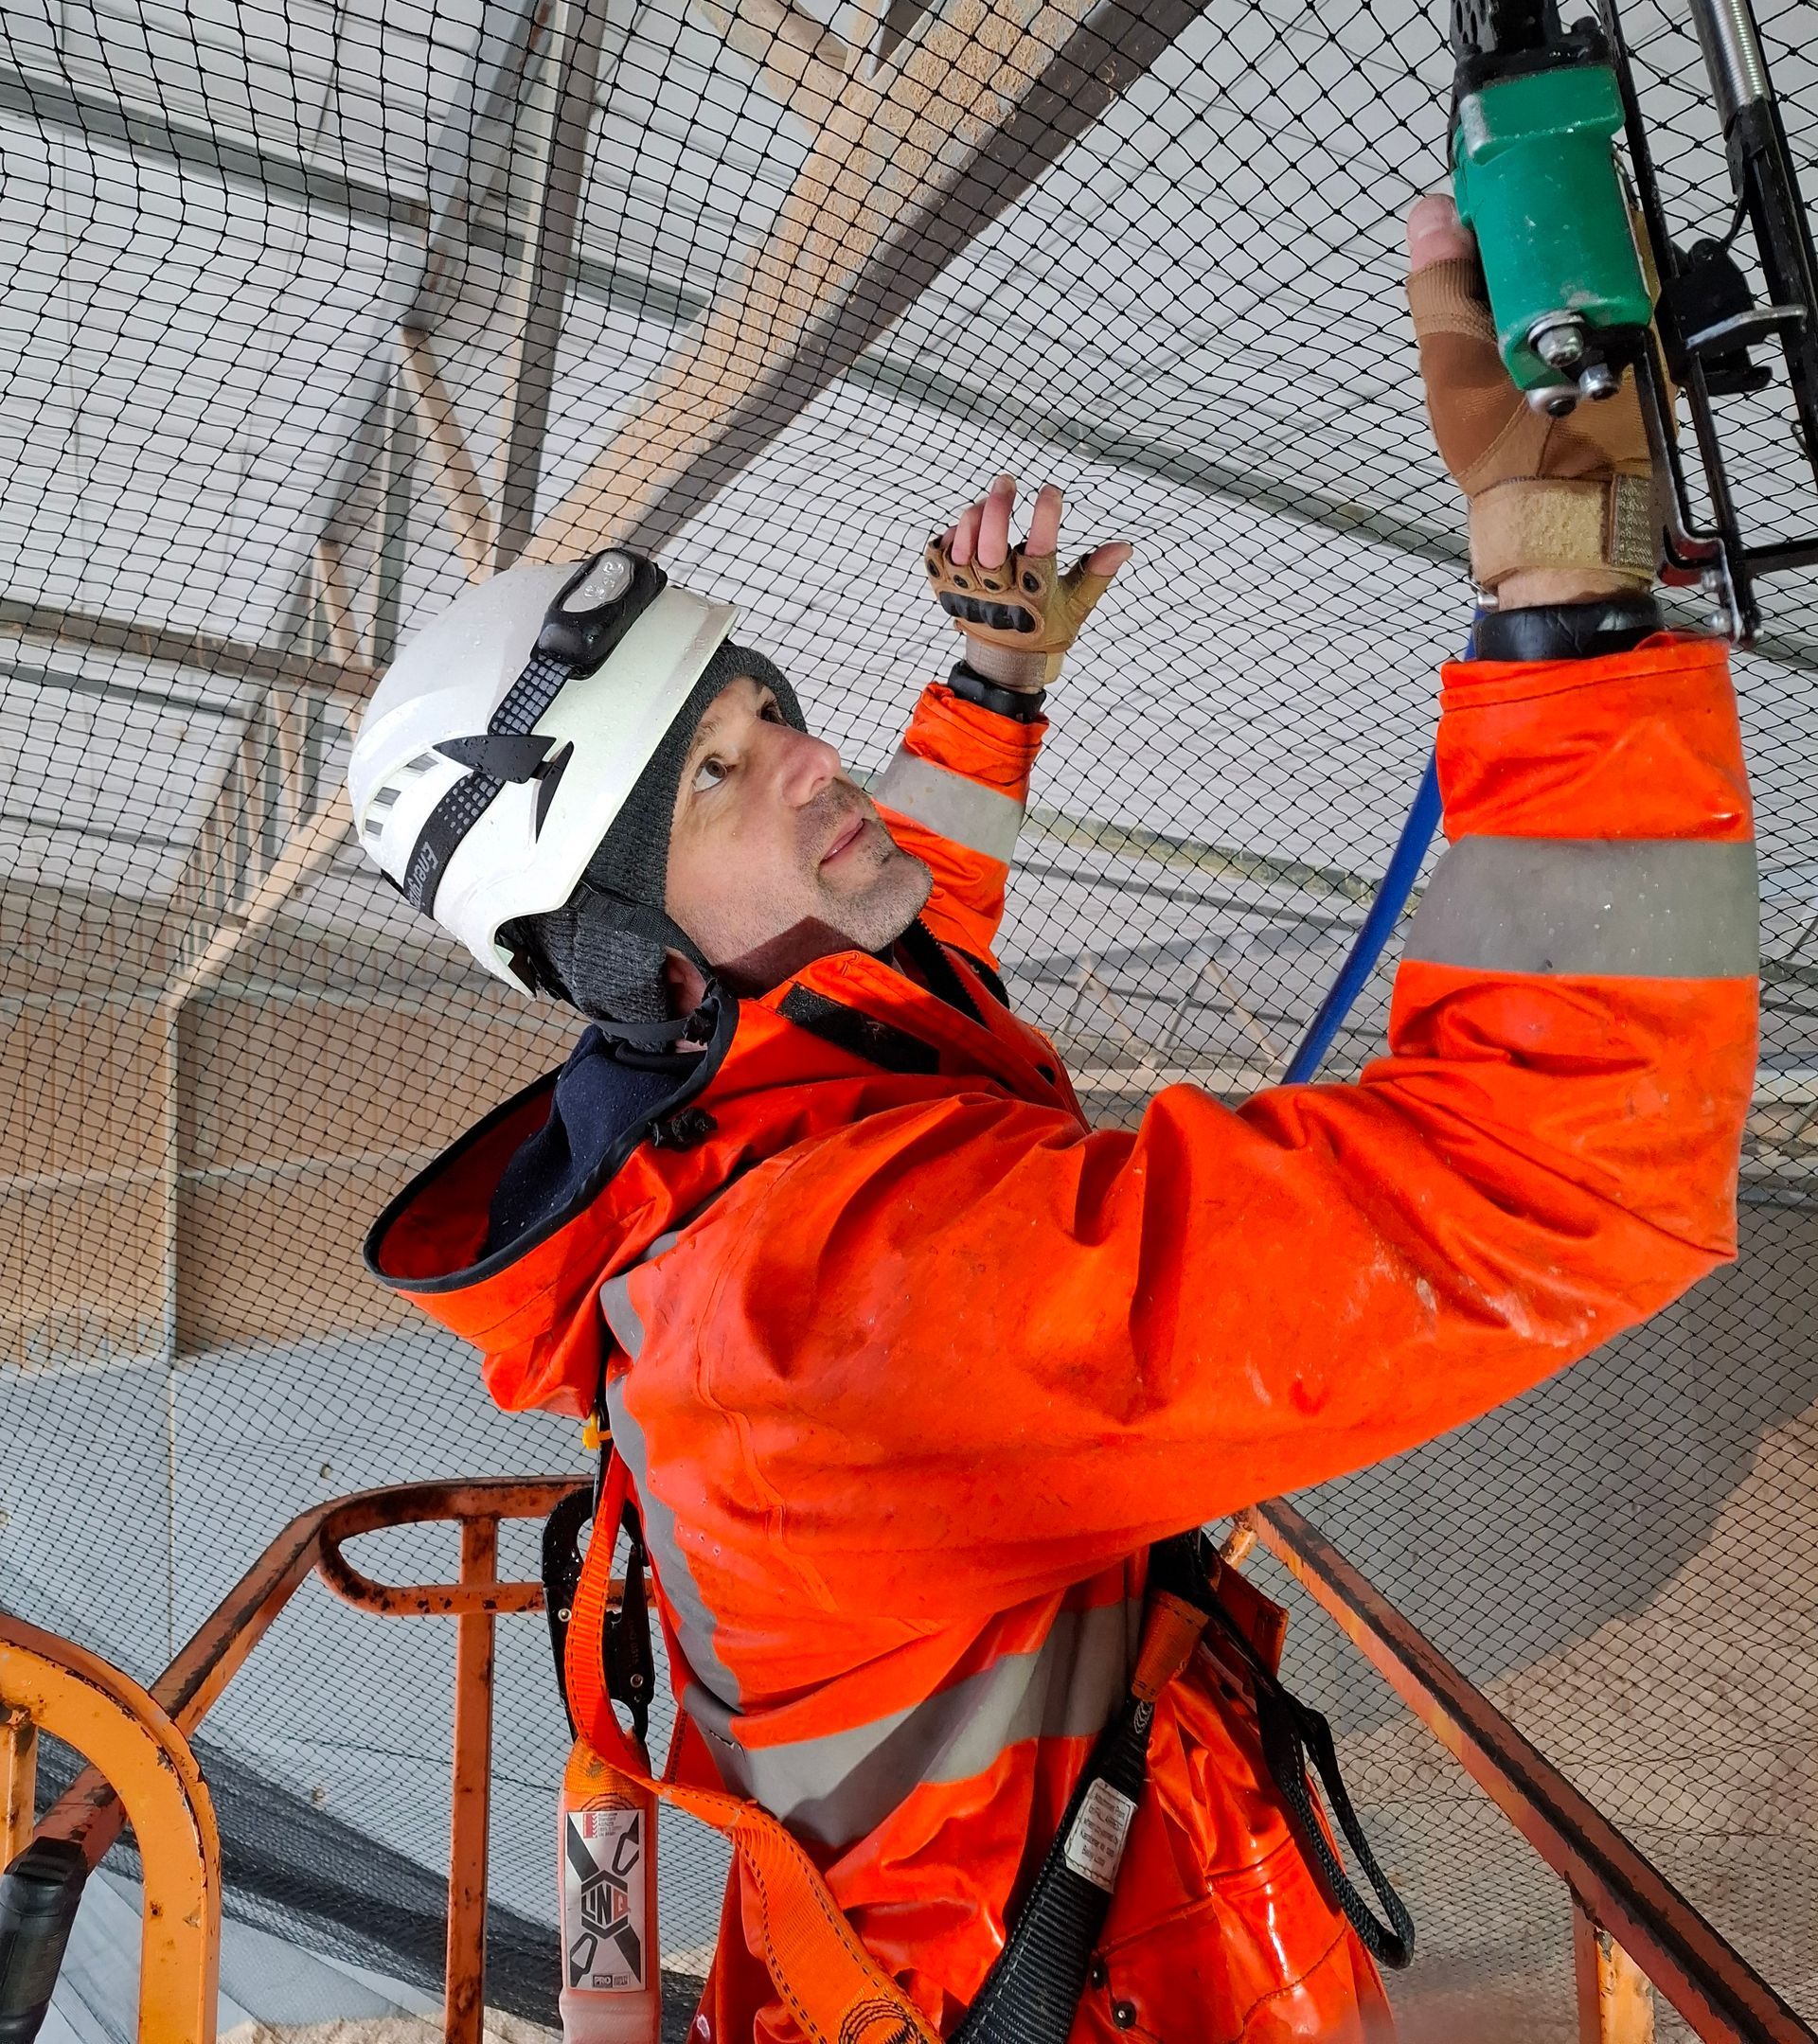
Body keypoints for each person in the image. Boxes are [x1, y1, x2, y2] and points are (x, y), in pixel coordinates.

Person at [351, 196, 1757, 2041]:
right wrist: (1567, 597)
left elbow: (888, 959)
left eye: (766, 705)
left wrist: (992, 691)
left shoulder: (685, 1185)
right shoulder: (834, 1299)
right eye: (714, 768)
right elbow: (1554, 1164)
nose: (806, 751)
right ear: (626, 950)